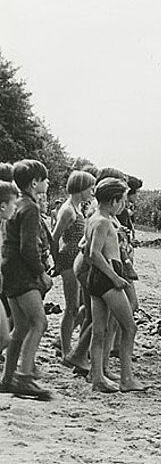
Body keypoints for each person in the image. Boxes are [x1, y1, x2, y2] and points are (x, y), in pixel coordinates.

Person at [0, 159, 53, 400]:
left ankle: (7, 377)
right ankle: (24, 377)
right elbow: (29, 247)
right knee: (39, 322)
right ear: (35, 183)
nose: (48, 182)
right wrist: (41, 272)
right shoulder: (31, 208)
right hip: (23, 272)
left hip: (9, 270)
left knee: (20, 327)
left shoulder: (18, 204)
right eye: (45, 179)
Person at [86, 178, 144, 392]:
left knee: (100, 330)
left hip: (96, 278)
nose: (124, 205)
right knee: (129, 327)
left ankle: (98, 376)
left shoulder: (93, 219)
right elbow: (94, 253)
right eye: (122, 201)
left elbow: (86, 251)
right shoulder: (103, 222)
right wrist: (115, 277)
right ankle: (126, 378)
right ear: (113, 201)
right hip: (107, 276)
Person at [51, 170, 95, 358]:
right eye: (90, 188)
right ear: (80, 188)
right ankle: (65, 348)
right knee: (71, 307)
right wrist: (56, 262)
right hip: (68, 260)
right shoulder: (68, 210)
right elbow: (54, 237)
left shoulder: (76, 207)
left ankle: (64, 341)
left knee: (78, 305)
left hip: (73, 259)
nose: (92, 191)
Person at [0, 180, 19, 353]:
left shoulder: (3, 227)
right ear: (3, 206)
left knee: (4, 338)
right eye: (14, 203)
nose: (16, 207)